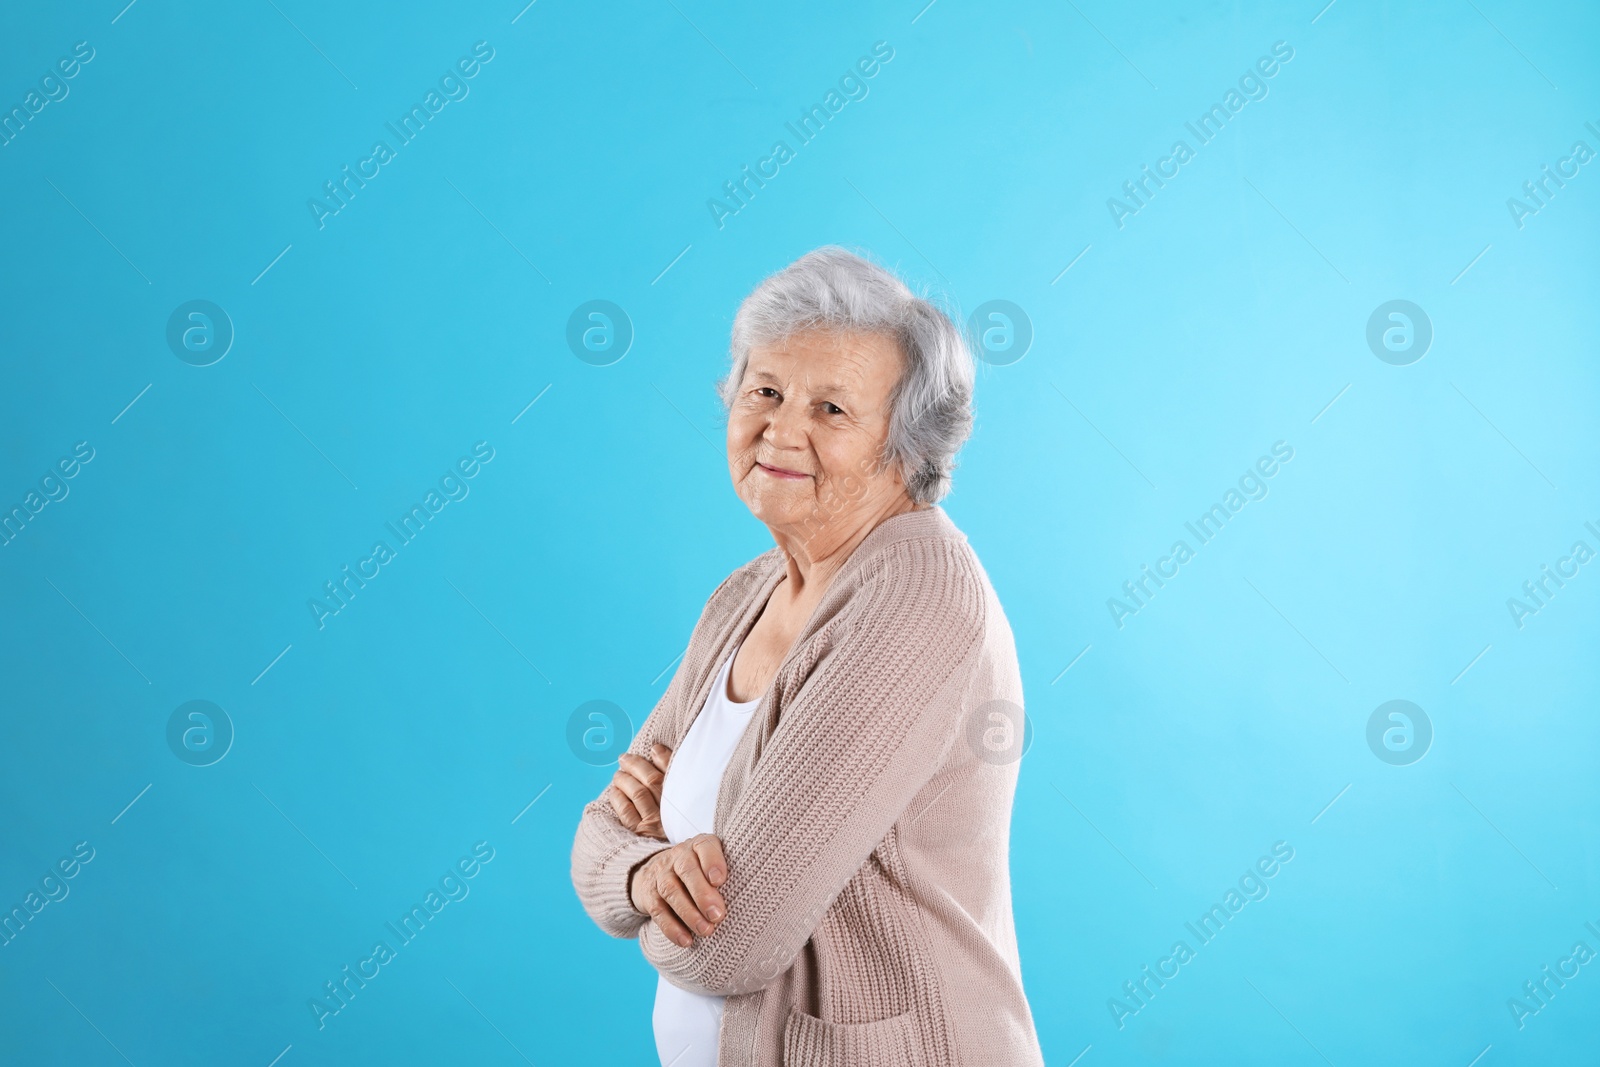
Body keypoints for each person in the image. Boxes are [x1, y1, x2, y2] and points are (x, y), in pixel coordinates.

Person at [571, 246, 1044, 1067]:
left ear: (904, 447)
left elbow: (730, 944)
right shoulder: (747, 593)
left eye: (831, 409)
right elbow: (598, 830)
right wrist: (646, 874)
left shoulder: (915, 598)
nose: (780, 428)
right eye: (765, 390)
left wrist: (630, 885)